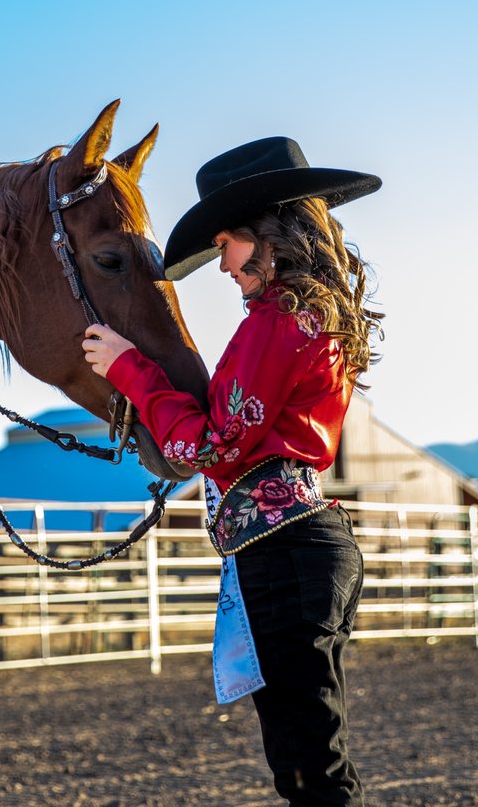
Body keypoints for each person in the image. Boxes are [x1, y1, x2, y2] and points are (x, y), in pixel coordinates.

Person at [82, 135, 382, 806]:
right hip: (297, 545)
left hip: (284, 556)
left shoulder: (277, 320)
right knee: (311, 758)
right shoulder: (313, 317)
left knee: (310, 768)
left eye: (227, 245)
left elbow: (208, 448)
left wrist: (129, 369)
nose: (221, 265)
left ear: (267, 234)